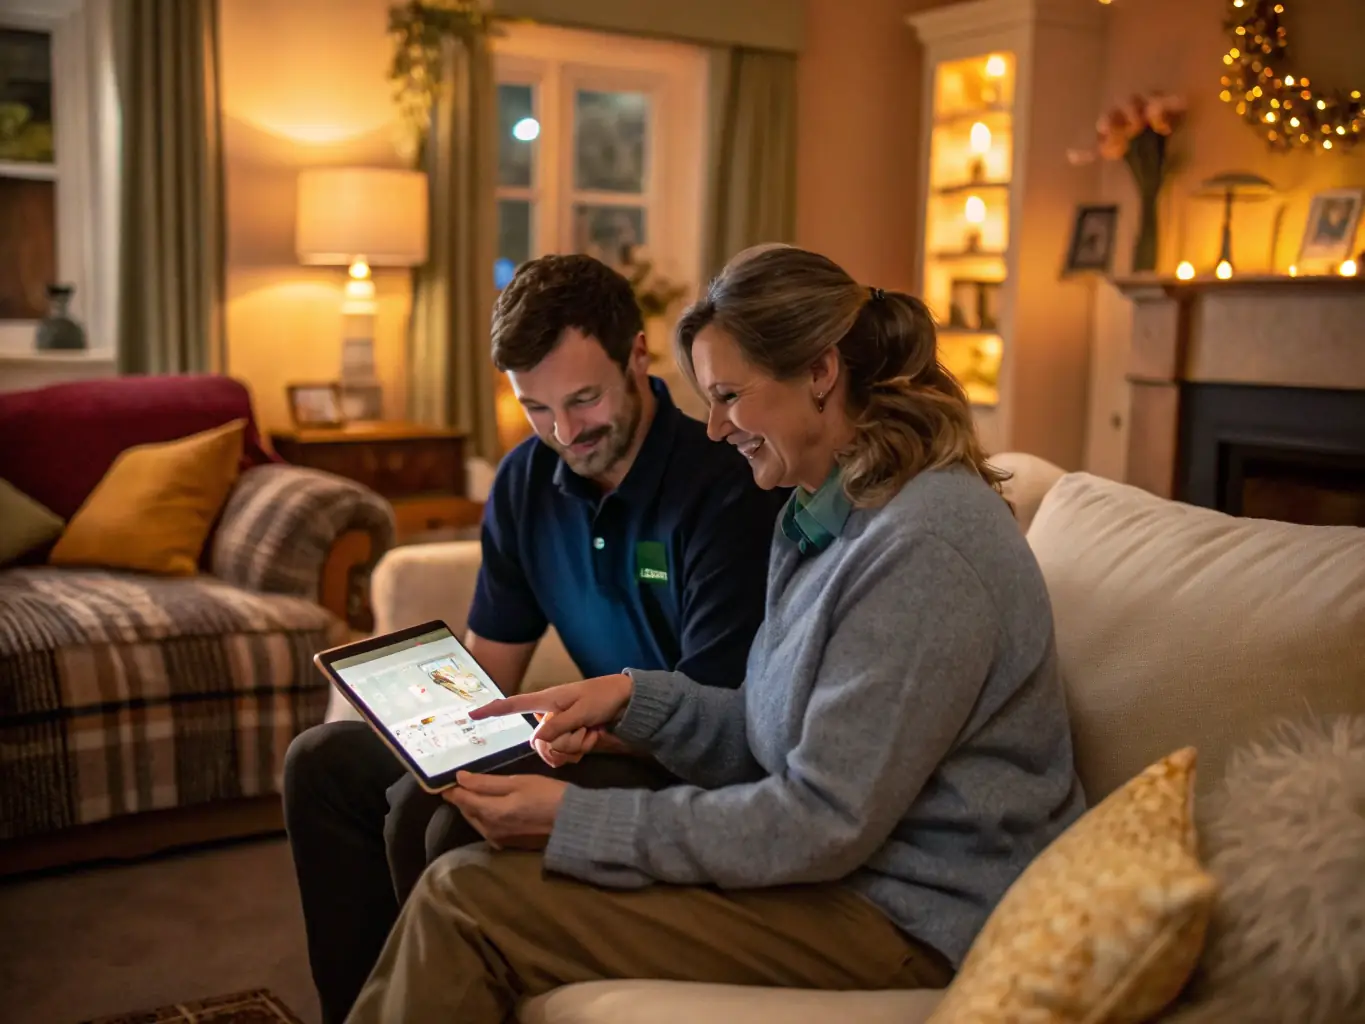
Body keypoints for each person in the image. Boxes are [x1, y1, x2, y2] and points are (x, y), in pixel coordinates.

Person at [343, 244, 1089, 1023]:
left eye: (729, 396)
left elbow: (820, 822)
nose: (713, 427)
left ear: (821, 371)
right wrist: (631, 700)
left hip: (915, 917)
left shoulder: (921, 547)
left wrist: (573, 818)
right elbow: (774, 733)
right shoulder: (827, 514)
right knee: (456, 872)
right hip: (847, 879)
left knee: (469, 900)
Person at [282, 254, 788, 1024]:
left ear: (637, 357)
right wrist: (425, 718)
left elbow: (716, 716)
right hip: (571, 739)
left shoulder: (726, 488)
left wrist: (569, 730)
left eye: (584, 399)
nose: (565, 432)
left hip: (680, 767)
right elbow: (488, 671)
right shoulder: (524, 481)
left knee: (436, 812)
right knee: (322, 761)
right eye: (535, 408)